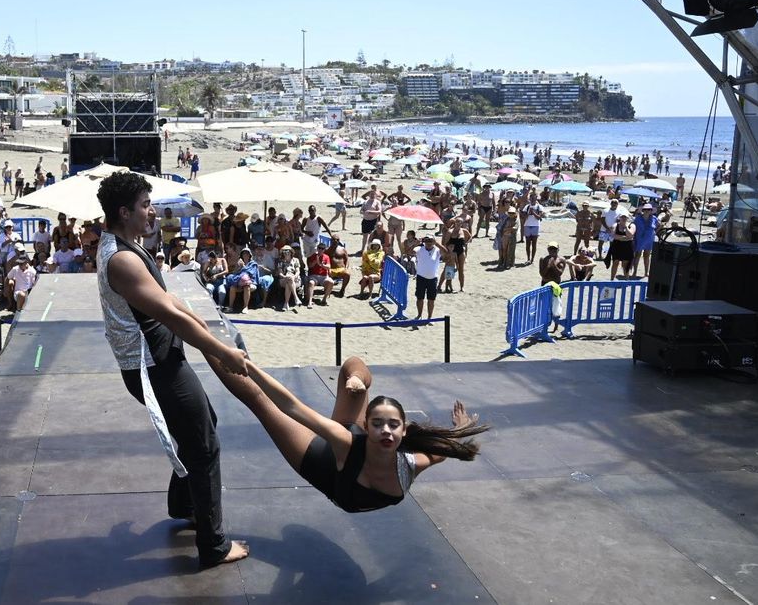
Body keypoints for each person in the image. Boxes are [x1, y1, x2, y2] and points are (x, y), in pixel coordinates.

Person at [94, 171, 249, 569]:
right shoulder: (122, 259)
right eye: (146, 205)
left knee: (201, 425)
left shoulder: (128, 246)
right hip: (153, 367)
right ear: (124, 212)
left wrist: (200, 321)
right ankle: (213, 546)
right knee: (203, 445)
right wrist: (222, 352)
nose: (153, 212)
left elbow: (168, 299)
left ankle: (185, 504)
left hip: (161, 359)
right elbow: (167, 314)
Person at [202, 354, 487, 513]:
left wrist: (459, 429)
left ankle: (358, 383)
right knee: (259, 400)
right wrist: (249, 368)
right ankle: (206, 341)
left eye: (393, 425)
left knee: (262, 400)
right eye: (377, 423)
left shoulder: (410, 466)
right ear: (366, 426)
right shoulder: (346, 441)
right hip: (322, 459)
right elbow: (291, 406)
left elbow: (443, 452)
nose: (386, 431)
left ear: (404, 431)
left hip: (334, 476)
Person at [413, 234, 446, 320]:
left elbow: (446, 252)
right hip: (421, 277)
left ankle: (429, 317)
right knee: (420, 298)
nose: (429, 242)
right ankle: (419, 315)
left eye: (431, 240)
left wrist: (437, 243)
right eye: (427, 240)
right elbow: (408, 252)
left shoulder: (437, 250)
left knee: (431, 299)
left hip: (433, 279)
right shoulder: (419, 249)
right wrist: (416, 243)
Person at [632, 203, 659, 278]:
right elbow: (633, 226)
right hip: (639, 239)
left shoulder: (654, 218)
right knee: (637, 255)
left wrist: (655, 232)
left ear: (651, 211)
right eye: (645, 209)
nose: (647, 211)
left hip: (649, 239)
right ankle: (634, 272)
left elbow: (659, 225)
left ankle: (646, 272)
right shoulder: (637, 218)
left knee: (647, 256)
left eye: (649, 209)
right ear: (643, 210)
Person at [608, 214, 636, 279]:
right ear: (619, 218)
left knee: (625, 264)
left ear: (627, 218)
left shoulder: (632, 225)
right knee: (615, 262)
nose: (623, 218)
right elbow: (613, 235)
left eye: (625, 217)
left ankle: (626, 280)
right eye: (622, 217)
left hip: (627, 246)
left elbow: (630, 235)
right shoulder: (615, 225)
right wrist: (625, 237)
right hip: (617, 246)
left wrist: (626, 227)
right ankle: (612, 279)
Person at [275, 245, 302, 311]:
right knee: (288, 279)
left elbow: (298, 271)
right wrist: (285, 277)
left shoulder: (296, 260)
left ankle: (286, 303)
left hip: (295, 279)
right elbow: (280, 273)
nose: (286, 253)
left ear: (291, 252)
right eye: (284, 251)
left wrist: (294, 276)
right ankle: (296, 298)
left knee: (288, 282)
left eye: (288, 251)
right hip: (283, 279)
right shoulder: (280, 261)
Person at [520, 195, 544, 265]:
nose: (532, 199)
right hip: (527, 225)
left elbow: (539, 217)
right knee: (527, 244)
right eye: (531, 198)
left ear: (536, 199)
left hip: (535, 226)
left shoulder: (539, 207)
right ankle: (528, 258)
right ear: (529, 199)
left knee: (534, 244)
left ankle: (532, 259)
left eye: (534, 198)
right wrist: (527, 213)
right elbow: (524, 217)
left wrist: (533, 212)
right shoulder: (527, 206)